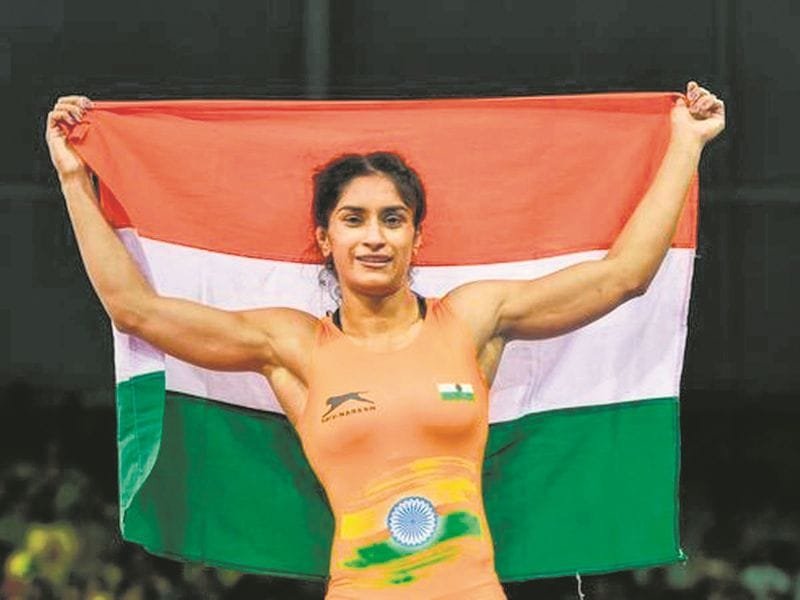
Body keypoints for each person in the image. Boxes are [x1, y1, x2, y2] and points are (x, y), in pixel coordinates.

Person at [45, 81, 724, 599]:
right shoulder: (295, 347)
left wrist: (685, 145)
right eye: (354, 219)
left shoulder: (471, 321)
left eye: (392, 219)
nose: (374, 237)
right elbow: (135, 310)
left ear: (416, 237)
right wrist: (76, 178)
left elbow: (623, 276)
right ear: (325, 238)